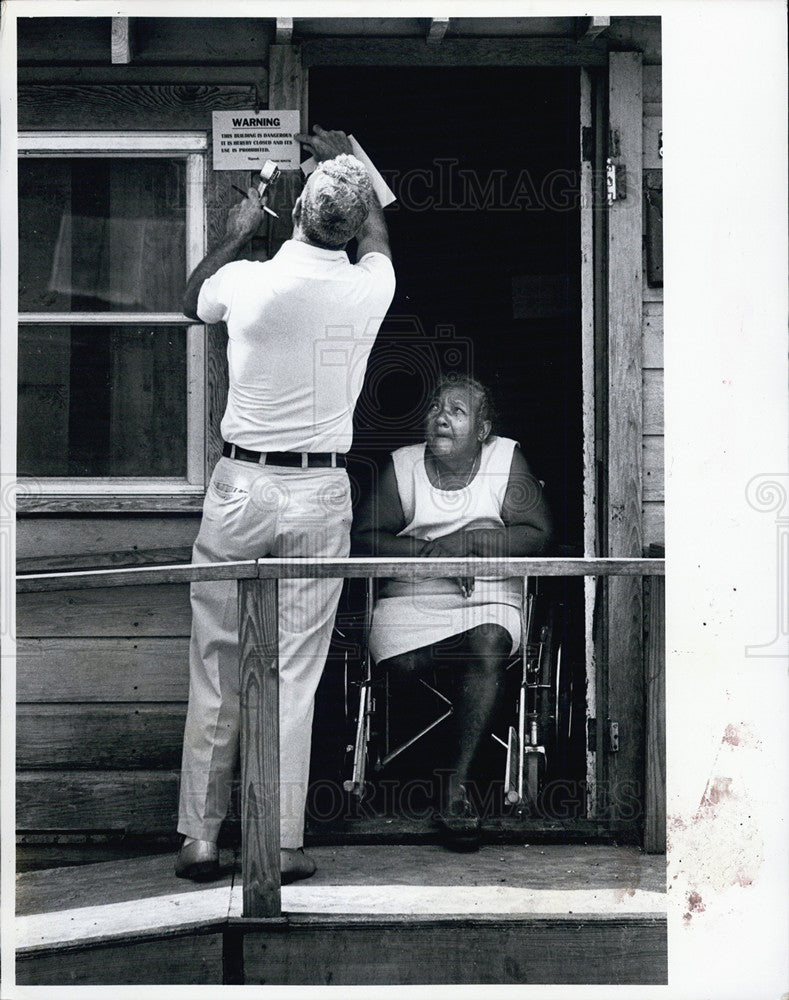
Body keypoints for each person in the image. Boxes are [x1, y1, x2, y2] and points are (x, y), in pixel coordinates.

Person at [176, 126, 395, 883]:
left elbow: (189, 301)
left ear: (295, 210)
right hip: (317, 488)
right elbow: (376, 230)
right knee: (293, 671)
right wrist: (355, 159)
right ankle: (282, 840)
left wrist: (238, 233)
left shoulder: (247, 281)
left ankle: (202, 839)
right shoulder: (372, 286)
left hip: (242, 483)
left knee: (218, 659)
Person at [352, 374, 552, 850]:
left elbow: (537, 533)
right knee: (406, 664)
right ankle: (435, 761)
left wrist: (466, 544)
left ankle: (455, 789)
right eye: (436, 409)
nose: (440, 417)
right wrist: (427, 553)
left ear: (483, 430)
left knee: (487, 642)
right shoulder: (403, 466)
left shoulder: (505, 459)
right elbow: (364, 538)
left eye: (457, 411)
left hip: (487, 596)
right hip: (412, 598)